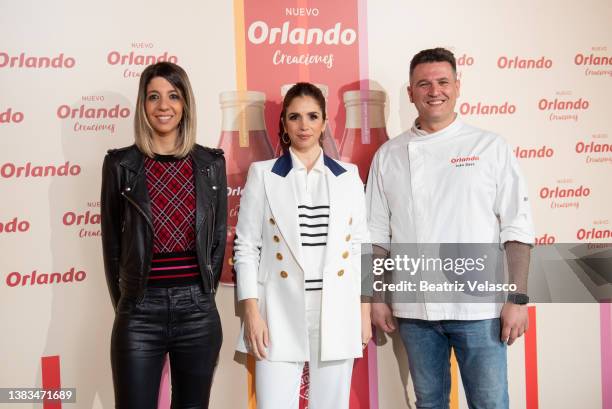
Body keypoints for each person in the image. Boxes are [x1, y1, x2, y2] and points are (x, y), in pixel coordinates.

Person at [366, 48, 535, 409]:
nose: (434, 91)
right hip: (415, 311)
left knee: (490, 402)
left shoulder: (490, 146)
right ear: (410, 93)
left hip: (480, 310)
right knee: (429, 402)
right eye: (423, 84)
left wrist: (517, 299)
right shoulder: (389, 155)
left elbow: (517, 228)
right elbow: (377, 235)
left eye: (443, 82)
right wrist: (377, 297)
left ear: (458, 86)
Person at [234, 82, 371, 409]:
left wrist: (364, 312)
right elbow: (246, 247)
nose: (304, 125)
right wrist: (252, 313)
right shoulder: (263, 174)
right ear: (283, 124)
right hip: (277, 311)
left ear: (325, 122)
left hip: (337, 308)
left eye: (312, 116)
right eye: (295, 117)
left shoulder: (349, 176)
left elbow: (361, 247)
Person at [100, 61, 227, 409]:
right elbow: (112, 248)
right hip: (139, 313)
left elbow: (217, 241)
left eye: (173, 95)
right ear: (143, 105)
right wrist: (130, 302)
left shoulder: (210, 164)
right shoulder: (119, 166)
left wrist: (202, 295)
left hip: (198, 314)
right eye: (153, 96)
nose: (163, 105)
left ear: (185, 103)